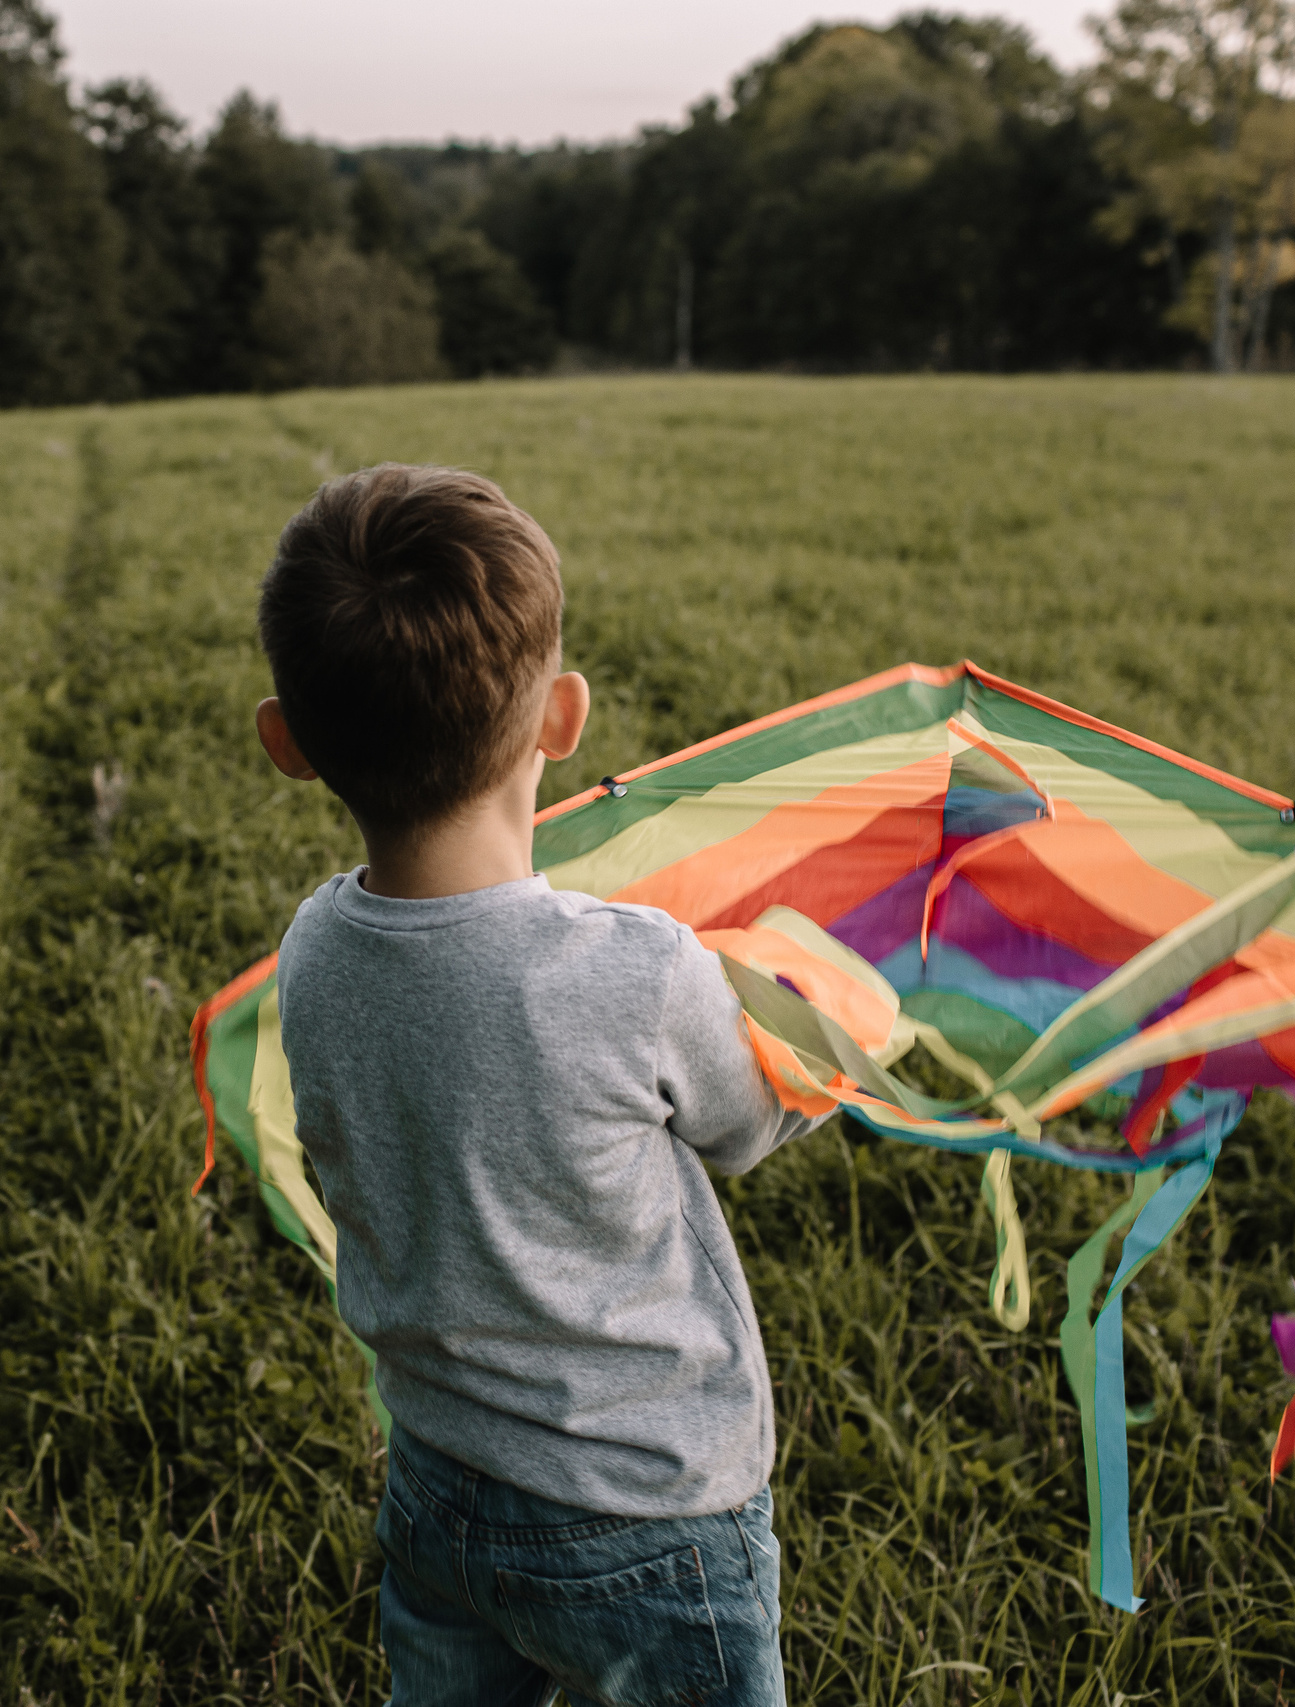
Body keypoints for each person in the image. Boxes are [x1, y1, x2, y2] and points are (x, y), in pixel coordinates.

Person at [254, 464, 814, 1706]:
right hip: (651, 1513)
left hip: (440, 1478)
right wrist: (815, 1030)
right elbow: (748, 1121)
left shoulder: (310, 950)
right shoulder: (639, 966)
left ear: (285, 744)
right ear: (563, 716)